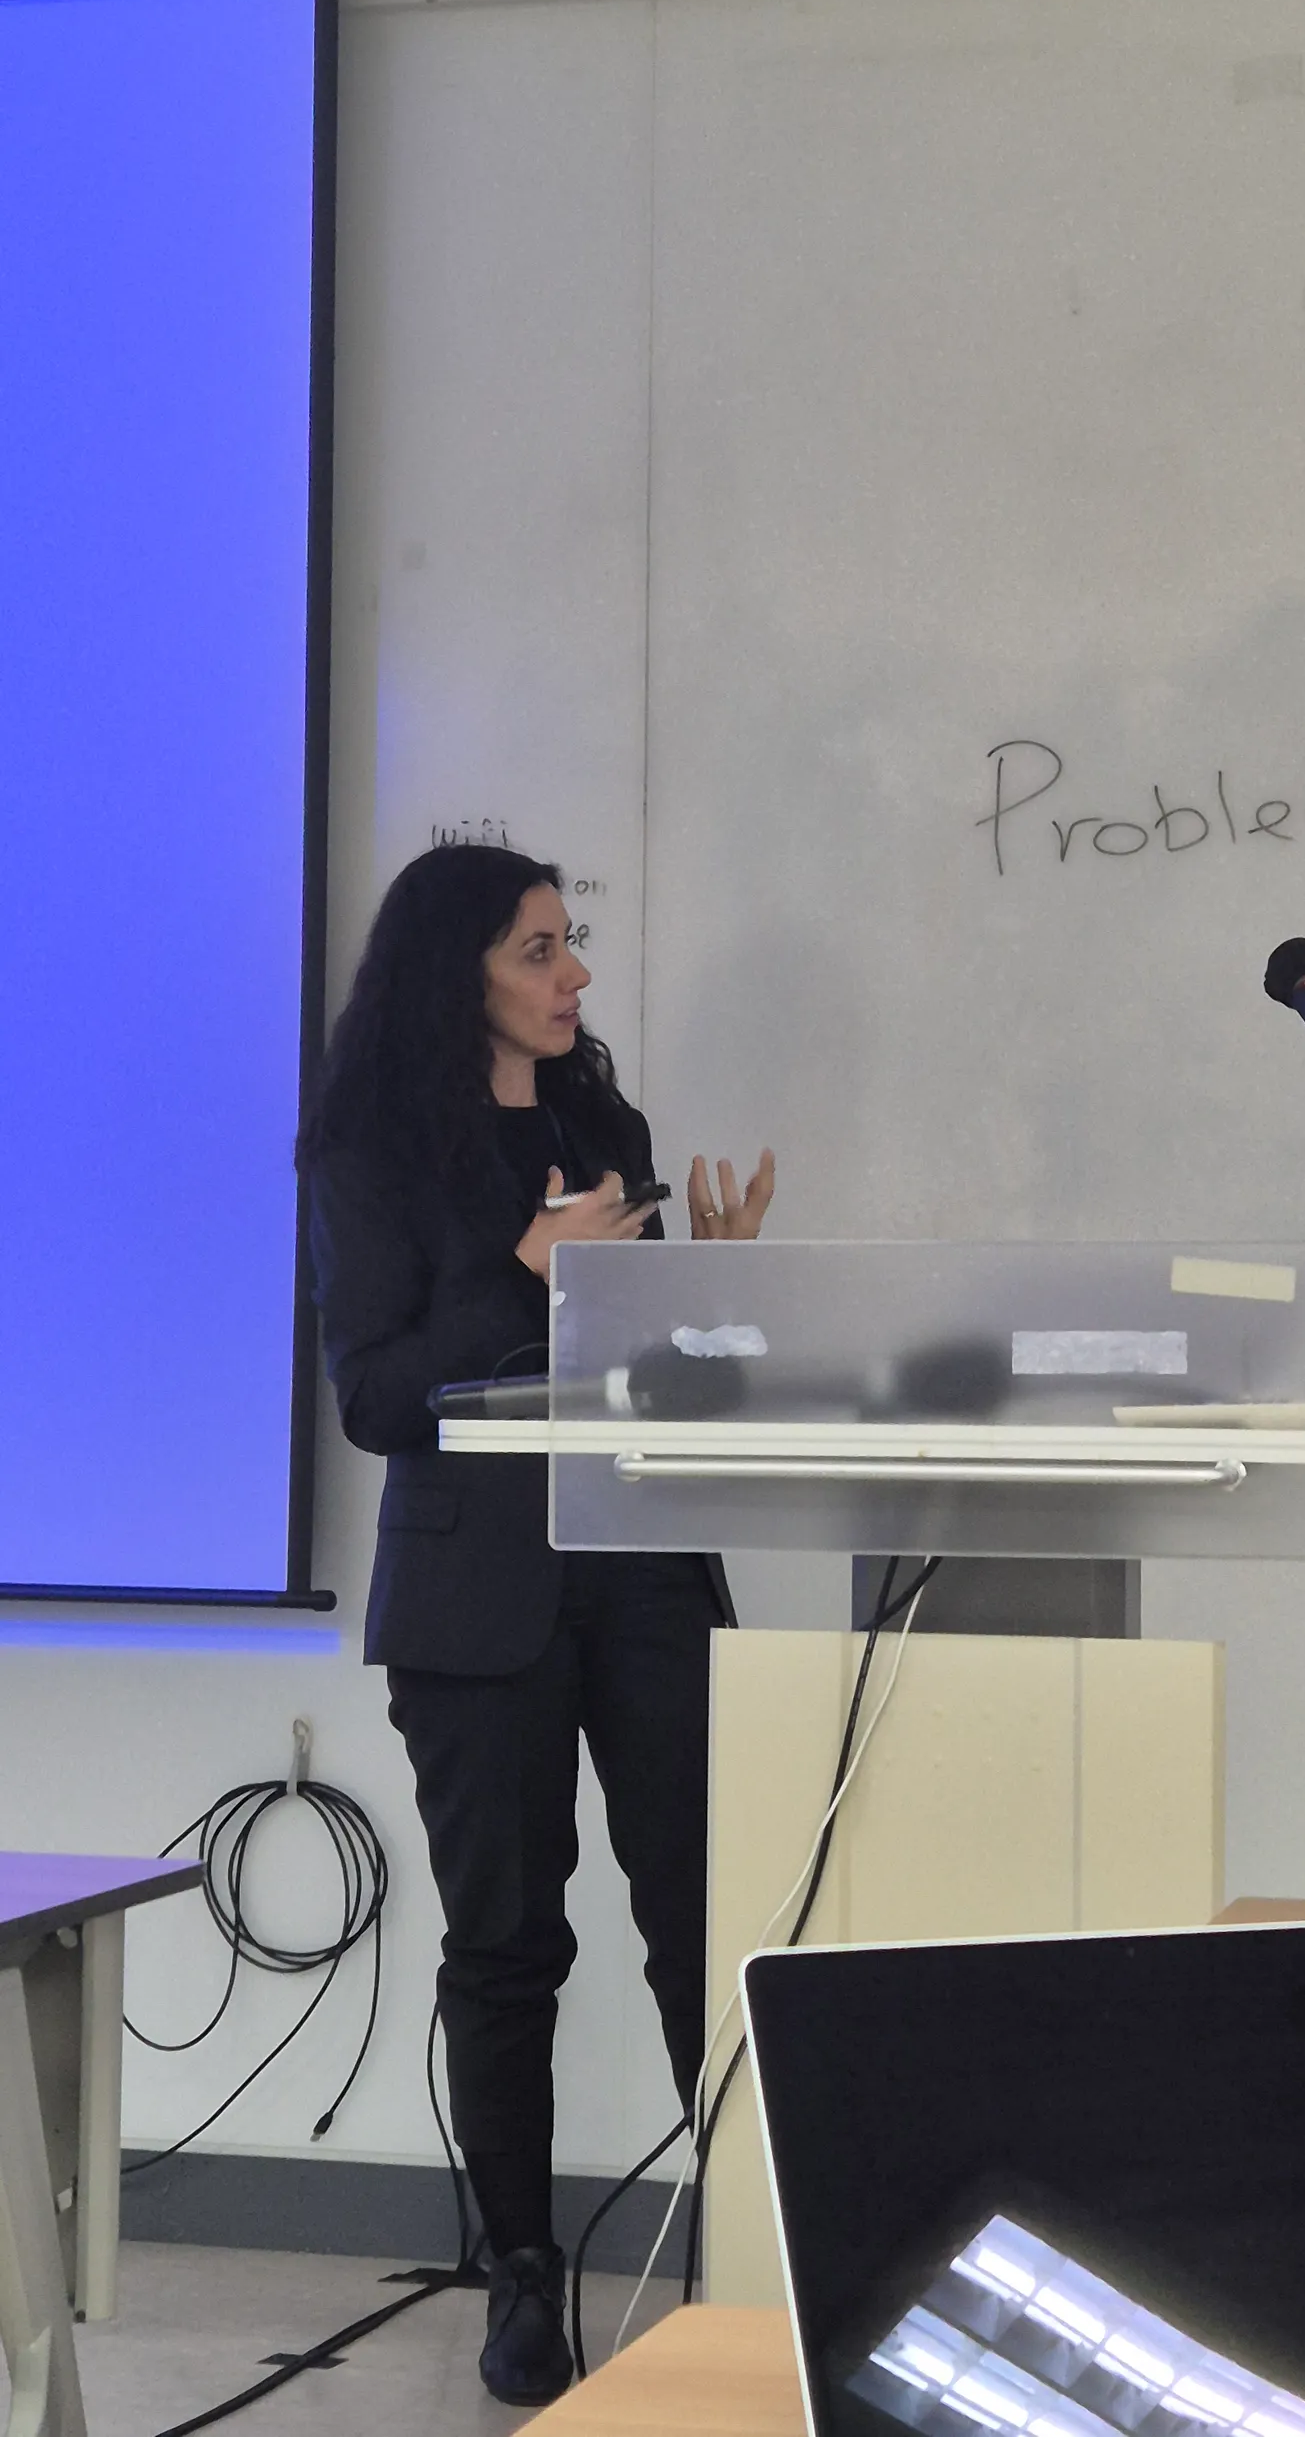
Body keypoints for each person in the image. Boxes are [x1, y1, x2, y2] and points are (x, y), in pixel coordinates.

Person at [299, 844, 772, 2405]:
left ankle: (754, 2250)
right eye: (538, 949)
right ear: (462, 973)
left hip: (639, 1567)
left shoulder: (601, 1129)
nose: (572, 975)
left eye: (570, 945)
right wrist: (524, 1269)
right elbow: (378, 1396)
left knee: (705, 1919)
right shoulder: (369, 1147)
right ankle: (518, 2270)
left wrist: (715, 1297)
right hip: (473, 1598)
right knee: (508, 1944)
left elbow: (644, 1369)